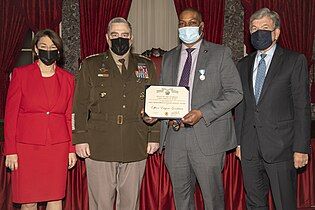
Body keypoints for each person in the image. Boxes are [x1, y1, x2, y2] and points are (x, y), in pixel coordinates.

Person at [158, 8, 242, 210]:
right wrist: (156, 114)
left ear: (202, 27)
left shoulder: (220, 53)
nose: (187, 27)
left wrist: (202, 112)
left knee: (212, 199)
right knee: (182, 199)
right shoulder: (168, 57)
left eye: (192, 22)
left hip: (208, 138)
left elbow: (235, 93)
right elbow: (163, 96)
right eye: (182, 23)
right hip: (175, 139)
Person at [72, 17, 160, 210]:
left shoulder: (145, 65)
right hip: (100, 143)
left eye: (124, 35)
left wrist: (153, 136)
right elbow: (79, 105)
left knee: (130, 202)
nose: (120, 39)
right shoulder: (91, 65)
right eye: (115, 35)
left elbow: (155, 102)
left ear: (132, 38)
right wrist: (80, 138)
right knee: (101, 203)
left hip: (135, 141)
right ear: (107, 38)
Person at [235, 8, 311, 210]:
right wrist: (240, 143)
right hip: (250, 149)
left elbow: (301, 106)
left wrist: (301, 147)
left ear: (276, 32)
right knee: (254, 203)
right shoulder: (242, 65)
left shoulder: (294, 61)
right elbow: (242, 106)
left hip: (281, 148)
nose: (258, 32)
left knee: (284, 203)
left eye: (265, 28)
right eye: (254, 28)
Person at [4, 29, 77, 210]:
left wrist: (71, 149)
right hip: (26, 148)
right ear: (36, 50)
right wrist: (10, 150)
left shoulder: (68, 79)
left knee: (55, 198)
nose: (48, 50)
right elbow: (10, 116)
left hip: (57, 148)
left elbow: (69, 117)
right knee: (28, 201)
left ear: (59, 52)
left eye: (53, 47)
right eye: (43, 46)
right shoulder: (21, 74)